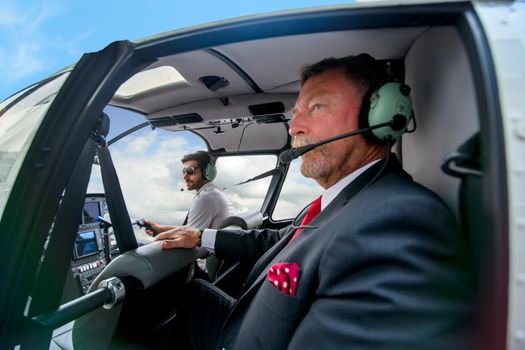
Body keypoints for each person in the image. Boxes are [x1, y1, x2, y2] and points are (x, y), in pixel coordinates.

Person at [154, 54, 476, 349]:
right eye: (296, 113)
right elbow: (277, 241)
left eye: (317, 107)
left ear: (379, 118)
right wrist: (200, 237)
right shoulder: (339, 201)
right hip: (244, 328)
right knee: (193, 294)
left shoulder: (400, 224)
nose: (295, 127)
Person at [145, 150, 235, 278]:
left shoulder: (206, 198)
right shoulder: (214, 193)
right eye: (184, 171)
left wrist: (158, 239)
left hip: (200, 272)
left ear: (208, 172)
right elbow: (192, 231)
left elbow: (189, 239)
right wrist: (160, 229)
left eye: (190, 171)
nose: (185, 177)